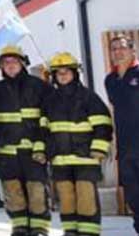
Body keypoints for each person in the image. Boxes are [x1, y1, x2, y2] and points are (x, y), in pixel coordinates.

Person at [44, 52, 113, 236]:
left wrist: (98, 149)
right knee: (66, 200)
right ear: (54, 76)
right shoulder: (50, 100)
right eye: (59, 73)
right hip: (60, 161)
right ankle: (71, 232)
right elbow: (44, 130)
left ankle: (88, 233)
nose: (63, 75)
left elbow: (103, 124)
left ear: (75, 73)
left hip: (86, 159)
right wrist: (45, 151)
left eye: (66, 71)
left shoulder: (88, 97)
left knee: (86, 198)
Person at [0, 45, 51, 236]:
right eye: (5, 62)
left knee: (36, 191)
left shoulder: (39, 85)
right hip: (7, 153)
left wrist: (43, 147)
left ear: (22, 63)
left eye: (13, 61)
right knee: (12, 191)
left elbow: (48, 117)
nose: (10, 65)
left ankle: (39, 228)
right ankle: (19, 227)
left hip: (34, 152)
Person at [105, 33, 139, 236]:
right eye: (114, 48)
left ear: (132, 50)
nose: (118, 52)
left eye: (122, 47)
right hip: (126, 152)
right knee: (136, 200)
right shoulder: (111, 80)